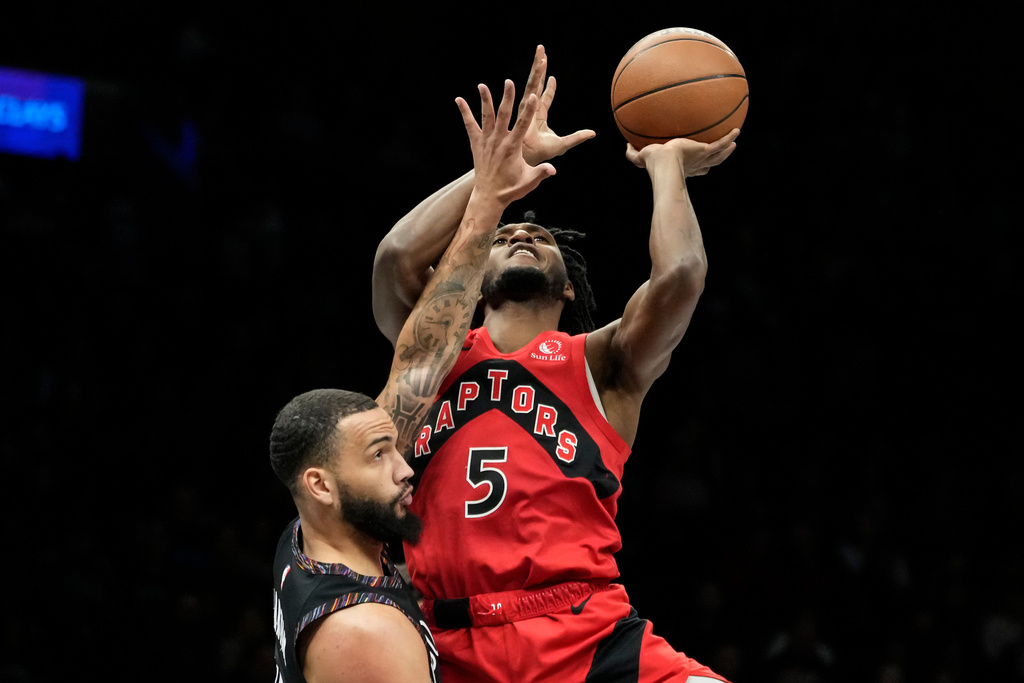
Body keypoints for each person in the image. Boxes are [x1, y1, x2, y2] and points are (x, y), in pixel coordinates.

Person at [372, 45, 740, 682]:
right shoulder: (433, 352)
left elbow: (680, 274)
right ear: (474, 281)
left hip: (585, 633)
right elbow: (397, 257)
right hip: (446, 643)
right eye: (508, 234)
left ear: (569, 287)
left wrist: (666, 164)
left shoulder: (602, 362)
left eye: (541, 239)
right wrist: (497, 176)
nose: (521, 233)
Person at [269, 72, 556, 683]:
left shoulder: (313, 540)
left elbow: (418, 360)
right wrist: (489, 196)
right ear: (319, 484)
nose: (406, 466)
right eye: (380, 455)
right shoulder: (367, 629)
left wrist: (492, 189)